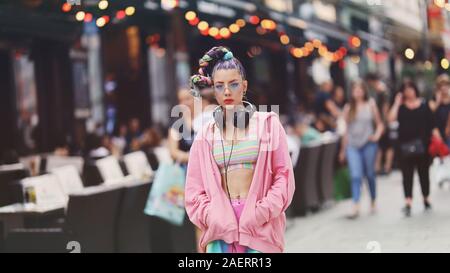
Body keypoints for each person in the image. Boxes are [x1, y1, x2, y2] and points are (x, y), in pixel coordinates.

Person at [185, 46, 295, 253]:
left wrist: (260, 213)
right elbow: (193, 189)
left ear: (244, 86)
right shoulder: (205, 135)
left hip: (260, 230)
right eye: (219, 86)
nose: (226, 91)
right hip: (221, 233)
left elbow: (283, 177)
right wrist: (213, 216)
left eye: (233, 84)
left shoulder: (268, 125)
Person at [388, 80, 442, 217]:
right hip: (405, 146)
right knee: (407, 175)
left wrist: (438, 140)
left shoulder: (424, 105)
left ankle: (426, 198)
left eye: (410, 89)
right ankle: (408, 202)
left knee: (423, 173)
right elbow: (390, 119)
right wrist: (396, 102)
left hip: (422, 145)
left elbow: (432, 123)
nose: (408, 92)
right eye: (405, 90)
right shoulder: (400, 107)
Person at [339, 80, 384, 219]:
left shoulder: (371, 104)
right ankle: (356, 205)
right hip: (353, 145)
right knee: (356, 175)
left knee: (370, 174)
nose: (357, 92)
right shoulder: (348, 108)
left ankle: (373, 200)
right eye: (355, 89)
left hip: (368, 144)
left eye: (360, 89)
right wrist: (342, 150)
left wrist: (376, 136)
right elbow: (345, 131)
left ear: (364, 91)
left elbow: (380, 124)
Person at [367, 75, 395, 175]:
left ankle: (386, 167)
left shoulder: (382, 91)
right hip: (382, 122)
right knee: (383, 145)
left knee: (387, 145)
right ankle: (379, 167)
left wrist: (383, 123)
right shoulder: (380, 90)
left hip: (384, 122)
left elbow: (385, 107)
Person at [430, 74, 450, 148]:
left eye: (446, 85)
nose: (444, 87)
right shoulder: (433, 100)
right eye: (441, 85)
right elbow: (430, 114)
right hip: (436, 132)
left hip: (448, 132)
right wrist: (438, 101)